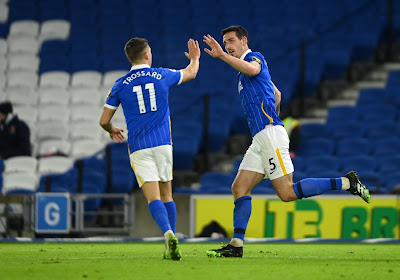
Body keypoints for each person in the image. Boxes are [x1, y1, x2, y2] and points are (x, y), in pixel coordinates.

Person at [203, 26, 371, 258]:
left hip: (270, 134)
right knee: (239, 187)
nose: (228, 46)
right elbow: (277, 94)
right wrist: (273, 113)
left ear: (244, 41)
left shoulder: (254, 57)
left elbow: (253, 69)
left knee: (287, 193)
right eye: (225, 42)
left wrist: (221, 55)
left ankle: (346, 182)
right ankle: (236, 245)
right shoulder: (242, 73)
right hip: (261, 137)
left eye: (231, 41)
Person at [99, 37, 200, 261]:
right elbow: (191, 72)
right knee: (167, 195)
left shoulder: (120, 84)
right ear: (147, 55)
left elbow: (104, 120)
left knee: (153, 197)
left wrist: (111, 129)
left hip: (139, 147)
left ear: (129, 58)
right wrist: (195, 58)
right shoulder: (162, 74)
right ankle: (170, 243)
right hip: (164, 143)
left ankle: (168, 234)